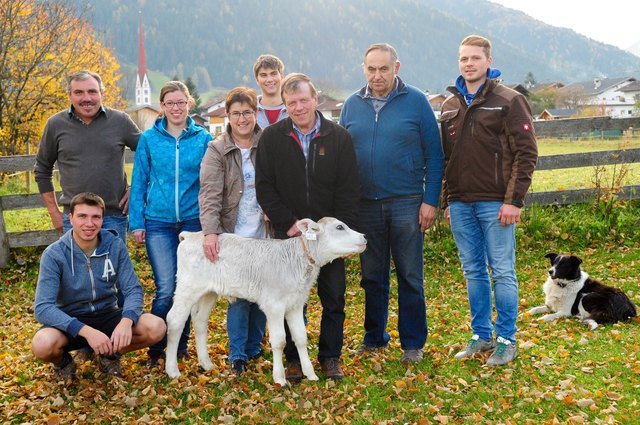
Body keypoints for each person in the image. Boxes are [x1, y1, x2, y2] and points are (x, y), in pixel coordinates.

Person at [339, 43, 444, 363]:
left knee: (410, 275)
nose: (377, 75)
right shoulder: (351, 105)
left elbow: (435, 155)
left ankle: (412, 343)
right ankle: (374, 337)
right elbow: (342, 156)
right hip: (365, 205)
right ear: (364, 69)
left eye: (383, 69)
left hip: (407, 202)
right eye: (371, 69)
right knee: (372, 276)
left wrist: (430, 201)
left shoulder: (415, 101)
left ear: (396, 68)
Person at [440, 35, 538, 366]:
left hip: (497, 204)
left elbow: (527, 153)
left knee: (502, 271)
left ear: (488, 60)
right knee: (473, 272)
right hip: (461, 203)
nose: (468, 64)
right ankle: (481, 337)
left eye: (474, 58)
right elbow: (445, 159)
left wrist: (514, 201)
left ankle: (507, 339)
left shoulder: (508, 100)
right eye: (463, 59)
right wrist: (447, 202)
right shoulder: (449, 104)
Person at [256, 73, 359, 382]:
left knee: (334, 297)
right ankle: (292, 361)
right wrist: (287, 224)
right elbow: (265, 187)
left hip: (327, 239)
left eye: (303, 100)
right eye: (291, 103)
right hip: (289, 237)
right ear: (285, 106)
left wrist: (338, 236)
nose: (298, 107)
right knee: (288, 300)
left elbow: (349, 189)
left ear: (315, 99)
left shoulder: (338, 137)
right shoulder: (272, 138)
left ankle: (330, 358)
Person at [31, 192, 166, 381]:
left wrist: (126, 321)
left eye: (96, 217)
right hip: (72, 320)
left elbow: (133, 289)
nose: (89, 223)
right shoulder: (54, 255)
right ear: (70, 218)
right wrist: (86, 331)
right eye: (82, 216)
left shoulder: (114, 246)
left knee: (156, 327)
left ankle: (108, 356)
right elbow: (43, 308)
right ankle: (64, 364)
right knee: (42, 344)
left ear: (102, 219)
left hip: (107, 314)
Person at [129, 81, 212, 368]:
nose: (176, 108)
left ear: (190, 103)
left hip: (192, 221)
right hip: (159, 224)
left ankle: (180, 346)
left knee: (187, 286)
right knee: (166, 287)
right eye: (170, 103)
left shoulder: (202, 138)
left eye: (181, 102)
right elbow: (139, 181)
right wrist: (137, 222)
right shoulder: (150, 139)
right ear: (162, 106)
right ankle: (157, 350)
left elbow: (211, 182)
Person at [198, 87, 267, 376]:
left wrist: (275, 207)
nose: (242, 118)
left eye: (248, 112)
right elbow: (210, 193)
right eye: (236, 113)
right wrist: (210, 232)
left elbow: (281, 181)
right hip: (234, 231)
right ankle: (237, 354)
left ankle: (255, 347)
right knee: (239, 294)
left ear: (256, 113)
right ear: (228, 115)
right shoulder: (217, 149)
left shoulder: (268, 143)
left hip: (265, 230)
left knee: (263, 292)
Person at [35, 70, 141, 244]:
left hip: (113, 216)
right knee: (76, 270)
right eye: (79, 92)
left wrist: (136, 188)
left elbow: (150, 154)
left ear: (101, 93)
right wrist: (55, 213)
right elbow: (42, 170)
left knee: (112, 269)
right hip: (74, 219)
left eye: (92, 91)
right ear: (69, 95)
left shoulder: (120, 121)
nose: (87, 98)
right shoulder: (55, 124)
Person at [253, 54, 288, 128]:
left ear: (281, 76)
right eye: (263, 75)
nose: (269, 80)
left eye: (273, 74)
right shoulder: (250, 110)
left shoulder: (294, 108)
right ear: (257, 79)